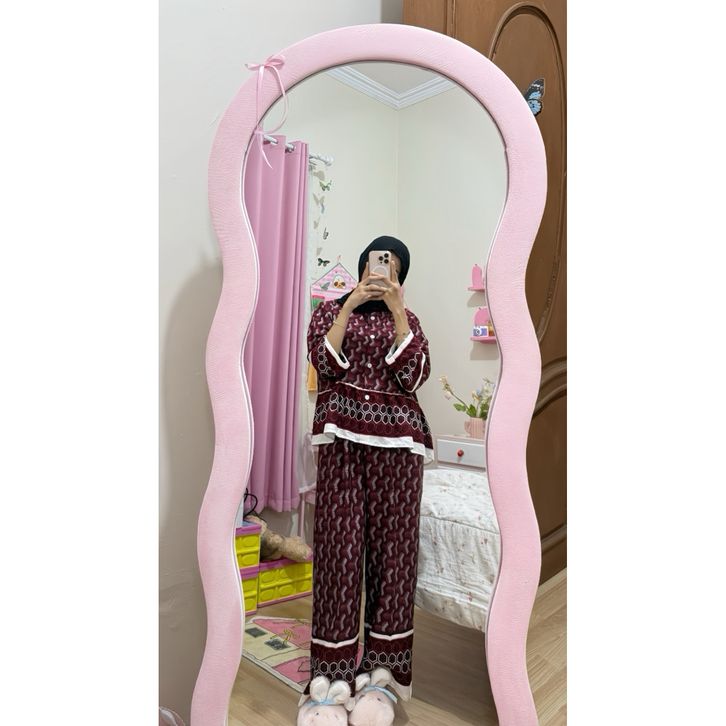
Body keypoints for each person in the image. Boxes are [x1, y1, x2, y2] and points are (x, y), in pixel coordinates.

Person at [297, 236, 434, 724]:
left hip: (400, 447)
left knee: (394, 558)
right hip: (342, 441)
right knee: (338, 553)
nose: (382, 270)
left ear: (400, 275)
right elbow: (324, 364)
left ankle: (381, 679)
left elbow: (413, 376)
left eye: (392, 266)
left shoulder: (408, 318)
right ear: (362, 266)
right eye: (377, 261)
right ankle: (330, 681)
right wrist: (351, 302)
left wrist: (397, 310)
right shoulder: (332, 311)